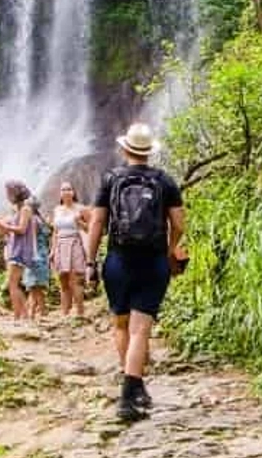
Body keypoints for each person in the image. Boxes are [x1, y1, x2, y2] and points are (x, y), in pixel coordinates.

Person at [85, 122, 186, 422]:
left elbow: (96, 223)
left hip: (118, 260)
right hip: (153, 261)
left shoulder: (111, 179)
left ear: (125, 149)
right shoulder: (165, 181)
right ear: (149, 151)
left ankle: (130, 385)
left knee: (121, 324)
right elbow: (179, 225)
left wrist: (90, 262)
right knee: (140, 329)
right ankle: (132, 389)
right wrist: (170, 250)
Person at [0, 181, 35, 319]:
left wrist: (4, 225)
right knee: (13, 284)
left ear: (16, 193)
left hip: (21, 250)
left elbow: (22, 229)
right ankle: (24, 315)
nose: (7, 196)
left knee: (12, 284)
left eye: (9, 193)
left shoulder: (25, 209)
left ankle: (17, 316)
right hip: (15, 248)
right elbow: (11, 232)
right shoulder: (18, 210)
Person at [50, 182, 89, 319]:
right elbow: (55, 232)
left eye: (69, 189)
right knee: (63, 280)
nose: (66, 192)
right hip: (60, 244)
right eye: (63, 189)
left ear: (73, 192)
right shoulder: (57, 209)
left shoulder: (81, 208)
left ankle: (80, 313)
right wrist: (52, 250)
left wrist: (80, 222)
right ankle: (65, 314)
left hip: (74, 243)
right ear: (60, 193)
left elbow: (91, 228)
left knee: (75, 279)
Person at [23, 195, 51, 318]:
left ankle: (40, 311)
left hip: (36, 254)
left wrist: (32, 255)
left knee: (34, 284)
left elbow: (32, 239)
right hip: (42, 253)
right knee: (35, 284)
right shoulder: (40, 219)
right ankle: (33, 312)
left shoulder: (33, 220)